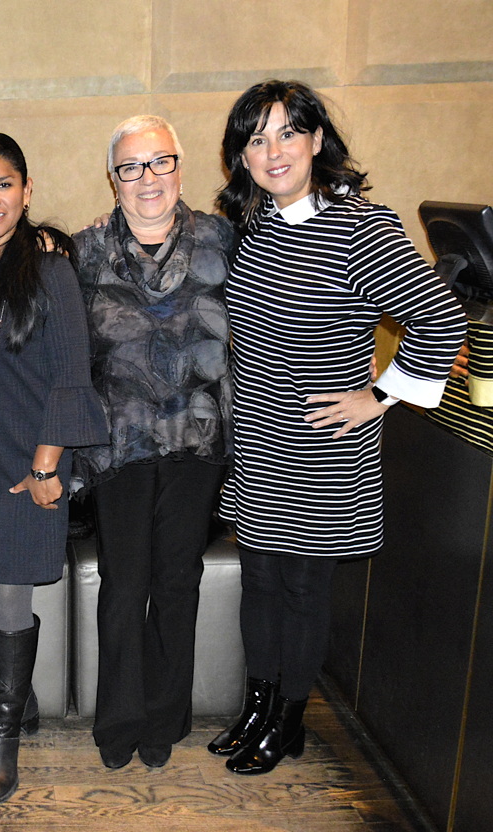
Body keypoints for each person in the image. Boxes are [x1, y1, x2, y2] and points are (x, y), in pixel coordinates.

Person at [211, 80, 466, 774]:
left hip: (321, 450)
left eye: (287, 133)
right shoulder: (254, 225)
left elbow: (441, 317)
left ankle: (290, 719)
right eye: (256, 139)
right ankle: (259, 705)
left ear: (317, 141)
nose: (273, 151)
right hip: (260, 443)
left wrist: (379, 395)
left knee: (300, 589)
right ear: (242, 156)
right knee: (258, 580)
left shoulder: (361, 228)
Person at [0, 132, 106, 802]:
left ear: (26, 191)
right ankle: (21, 705)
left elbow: (70, 374)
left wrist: (45, 465)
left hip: (28, 460)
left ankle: (4, 734)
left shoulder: (48, 269)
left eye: (5, 184)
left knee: (6, 593)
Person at [72, 116, 235, 771]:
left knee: (177, 581)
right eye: (132, 167)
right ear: (113, 180)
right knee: (123, 583)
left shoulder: (222, 239)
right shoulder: (82, 253)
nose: (148, 178)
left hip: (198, 440)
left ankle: (164, 720)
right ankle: (119, 722)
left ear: (180, 166)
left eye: (159, 162)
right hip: (119, 444)